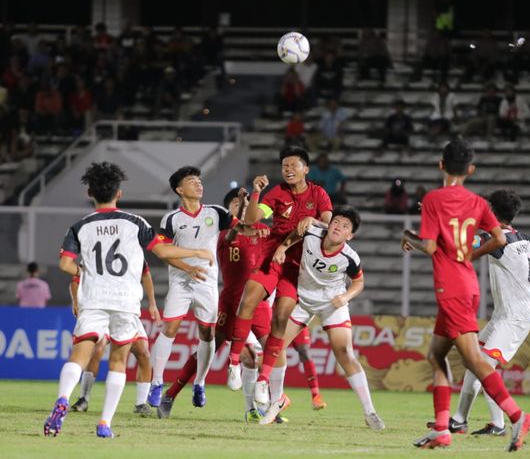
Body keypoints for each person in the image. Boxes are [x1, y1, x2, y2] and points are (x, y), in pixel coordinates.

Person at [43, 162, 213, 438]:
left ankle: (63, 398)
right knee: (118, 361)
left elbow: (65, 265)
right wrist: (198, 253)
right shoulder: (136, 223)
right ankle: (104, 424)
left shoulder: (79, 226)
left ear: (90, 193)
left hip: (94, 297)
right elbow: (163, 251)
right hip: (125, 300)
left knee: (80, 355)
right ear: (119, 193)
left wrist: (86, 271)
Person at [400, 140, 530, 451]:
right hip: (466, 284)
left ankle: (517, 416)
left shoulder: (433, 199)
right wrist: (467, 257)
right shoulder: (477, 202)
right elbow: (499, 237)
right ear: (471, 169)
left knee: (474, 360)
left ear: (440, 164)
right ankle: (442, 429)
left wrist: (408, 237)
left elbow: (431, 246)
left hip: (451, 289)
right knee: (435, 355)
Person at [441, 190, 530, 436]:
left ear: (492, 211)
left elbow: (462, 243)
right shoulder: (524, 239)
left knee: (484, 364)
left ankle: (498, 425)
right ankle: (460, 419)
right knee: (474, 359)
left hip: (515, 317)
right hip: (506, 315)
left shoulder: (494, 239)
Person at [226, 146, 333, 412]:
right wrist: (257, 192)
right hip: (271, 256)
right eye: (284, 166)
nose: (288, 170)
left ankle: (264, 380)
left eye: (293, 165)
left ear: (306, 169)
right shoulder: (277, 193)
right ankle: (234, 364)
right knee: (247, 301)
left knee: (281, 319)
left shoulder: (318, 194)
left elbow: (329, 225)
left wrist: (312, 220)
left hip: (297, 265)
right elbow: (251, 220)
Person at [146, 167, 260, 410]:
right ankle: (156, 382)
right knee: (170, 329)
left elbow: (247, 227)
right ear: (179, 189)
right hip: (181, 281)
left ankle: (199, 382)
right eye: (191, 181)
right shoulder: (172, 219)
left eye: (199, 180)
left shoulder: (216, 213)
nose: (198, 184)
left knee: (207, 335)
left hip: (207, 284)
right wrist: (188, 267)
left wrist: (248, 202)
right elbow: (164, 253)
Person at [259, 206, 384, 428]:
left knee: (344, 352)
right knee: (275, 346)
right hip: (303, 300)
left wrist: (345, 297)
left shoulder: (350, 257)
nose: (338, 227)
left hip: (332, 304)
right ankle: (276, 401)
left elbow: (359, 282)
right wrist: (282, 247)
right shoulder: (311, 233)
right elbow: (294, 235)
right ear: (329, 223)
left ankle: (370, 412)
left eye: (345, 226)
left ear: (350, 235)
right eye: (336, 222)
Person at [70, 260, 160, 416]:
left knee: (144, 354)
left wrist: (152, 303)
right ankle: (83, 399)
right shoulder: (97, 247)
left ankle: (140, 404)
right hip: (102, 309)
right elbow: (76, 278)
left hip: (127, 310)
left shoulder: (133, 251)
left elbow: (146, 274)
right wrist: (76, 302)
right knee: (96, 350)